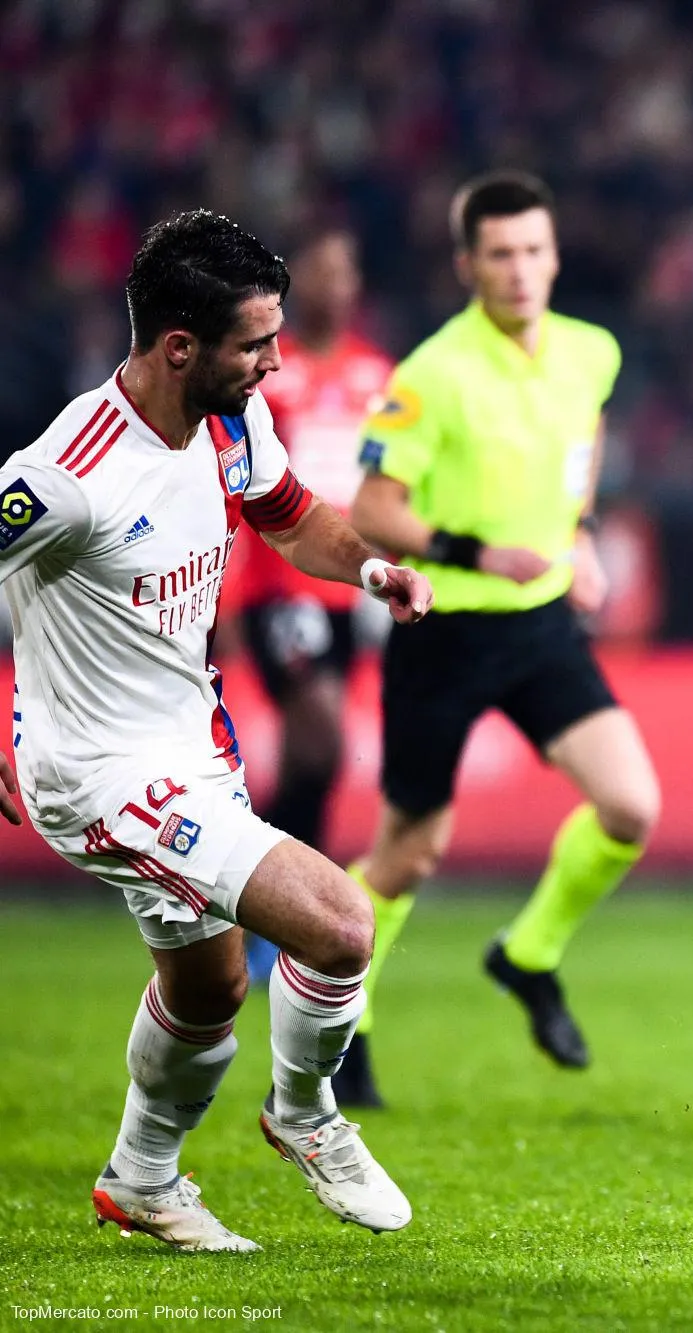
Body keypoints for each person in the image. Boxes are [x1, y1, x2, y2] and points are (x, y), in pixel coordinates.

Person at [0, 210, 433, 1251]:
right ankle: (305, 1113)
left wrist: (369, 569)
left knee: (208, 988)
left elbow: (291, 513)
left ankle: (141, 1181)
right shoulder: (66, 474)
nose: (275, 362)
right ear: (179, 346)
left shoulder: (230, 420)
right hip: (98, 774)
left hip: (192, 749)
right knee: (339, 926)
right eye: (254, 344)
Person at [346, 171, 660, 1104]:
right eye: (500, 254)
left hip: (542, 626)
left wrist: (583, 534)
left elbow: (585, 440)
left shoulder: (587, 351)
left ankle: (528, 954)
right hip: (442, 628)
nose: (520, 270)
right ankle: (341, 1016)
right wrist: (478, 550)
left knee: (630, 806)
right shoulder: (430, 374)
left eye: (533, 250)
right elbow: (371, 508)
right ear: (467, 265)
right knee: (409, 853)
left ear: (554, 256)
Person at [224, 227, 394, 989]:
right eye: (324, 269)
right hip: (278, 587)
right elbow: (238, 489)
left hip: (346, 591)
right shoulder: (269, 373)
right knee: (320, 737)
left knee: (315, 762)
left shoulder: (376, 375)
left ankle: (264, 908)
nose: (340, 282)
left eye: (350, 266)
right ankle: (274, 906)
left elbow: (391, 488)